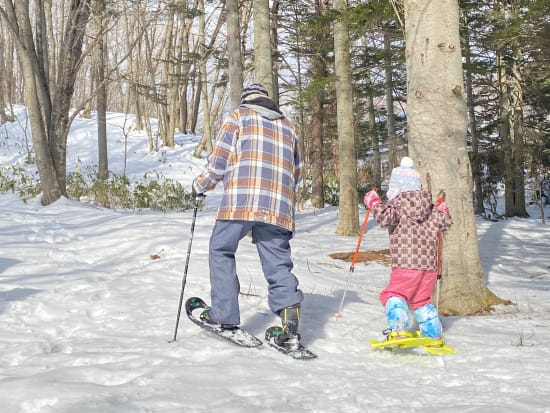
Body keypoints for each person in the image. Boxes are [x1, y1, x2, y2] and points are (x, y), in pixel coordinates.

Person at [192, 83, 304, 350]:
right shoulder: (289, 127)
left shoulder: (239, 117)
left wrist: (200, 186)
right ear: (268, 101)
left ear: (245, 100)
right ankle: (290, 323)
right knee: (278, 263)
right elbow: (297, 172)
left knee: (221, 249)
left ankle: (224, 315)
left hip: (240, 202)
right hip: (278, 206)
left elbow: (218, 162)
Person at [363, 156, 453, 346]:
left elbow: (385, 219)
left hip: (406, 262)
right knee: (421, 299)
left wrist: (374, 203)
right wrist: (443, 211)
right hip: (428, 265)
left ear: (396, 188)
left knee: (394, 294)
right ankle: (434, 334)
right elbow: (445, 223)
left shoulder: (396, 205)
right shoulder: (430, 208)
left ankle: (398, 329)